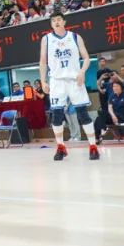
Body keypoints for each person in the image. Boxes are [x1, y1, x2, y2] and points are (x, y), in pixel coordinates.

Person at [40, 12, 98, 161]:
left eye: (59, 19)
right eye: (53, 20)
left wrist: (82, 72)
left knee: (82, 114)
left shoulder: (75, 37)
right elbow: (43, 62)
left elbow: (86, 58)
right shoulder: (46, 39)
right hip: (56, 81)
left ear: (64, 22)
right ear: (51, 24)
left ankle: (93, 146)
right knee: (56, 115)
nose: (56, 22)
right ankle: (61, 146)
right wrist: (43, 81)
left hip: (74, 79)